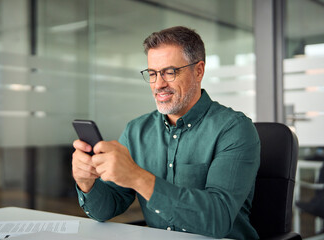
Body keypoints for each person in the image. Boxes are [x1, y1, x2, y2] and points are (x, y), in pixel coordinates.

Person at [72, 26, 260, 239]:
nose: (159, 84)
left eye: (170, 72)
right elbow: (106, 209)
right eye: (152, 74)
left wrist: (136, 176)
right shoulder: (136, 131)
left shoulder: (234, 129)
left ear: (198, 71)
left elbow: (218, 219)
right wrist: (86, 183)